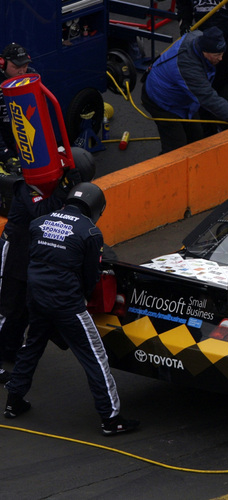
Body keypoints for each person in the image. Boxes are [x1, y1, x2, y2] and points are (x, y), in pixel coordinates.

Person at [4, 182, 140, 436]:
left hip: (36, 298)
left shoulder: (39, 222)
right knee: (96, 356)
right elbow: (90, 277)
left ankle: (13, 401)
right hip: (67, 304)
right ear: (96, 206)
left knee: (31, 346)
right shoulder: (89, 232)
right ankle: (111, 419)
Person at [0, 148, 95, 383]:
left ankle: (8, 350)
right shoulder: (30, 184)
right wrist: (64, 190)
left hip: (31, 253)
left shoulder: (57, 190)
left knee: (23, 309)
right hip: (13, 251)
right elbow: (41, 213)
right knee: (6, 309)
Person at [141, 26, 228, 155]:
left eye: (222, 53)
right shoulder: (189, 68)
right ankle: (166, 170)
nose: (220, 58)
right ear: (204, 52)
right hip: (162, 102)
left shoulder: (197, 36)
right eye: (216, 55)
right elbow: (208, 98)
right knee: (175, 148)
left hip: (182, 99)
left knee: (196, 137)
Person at [0, 43, 34, 171]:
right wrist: (5, 154)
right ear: (2, 64)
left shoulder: (31, 76)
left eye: (25, 66)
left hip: (25, 139)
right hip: (4, 142)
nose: (22, 71)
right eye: (16, 67)